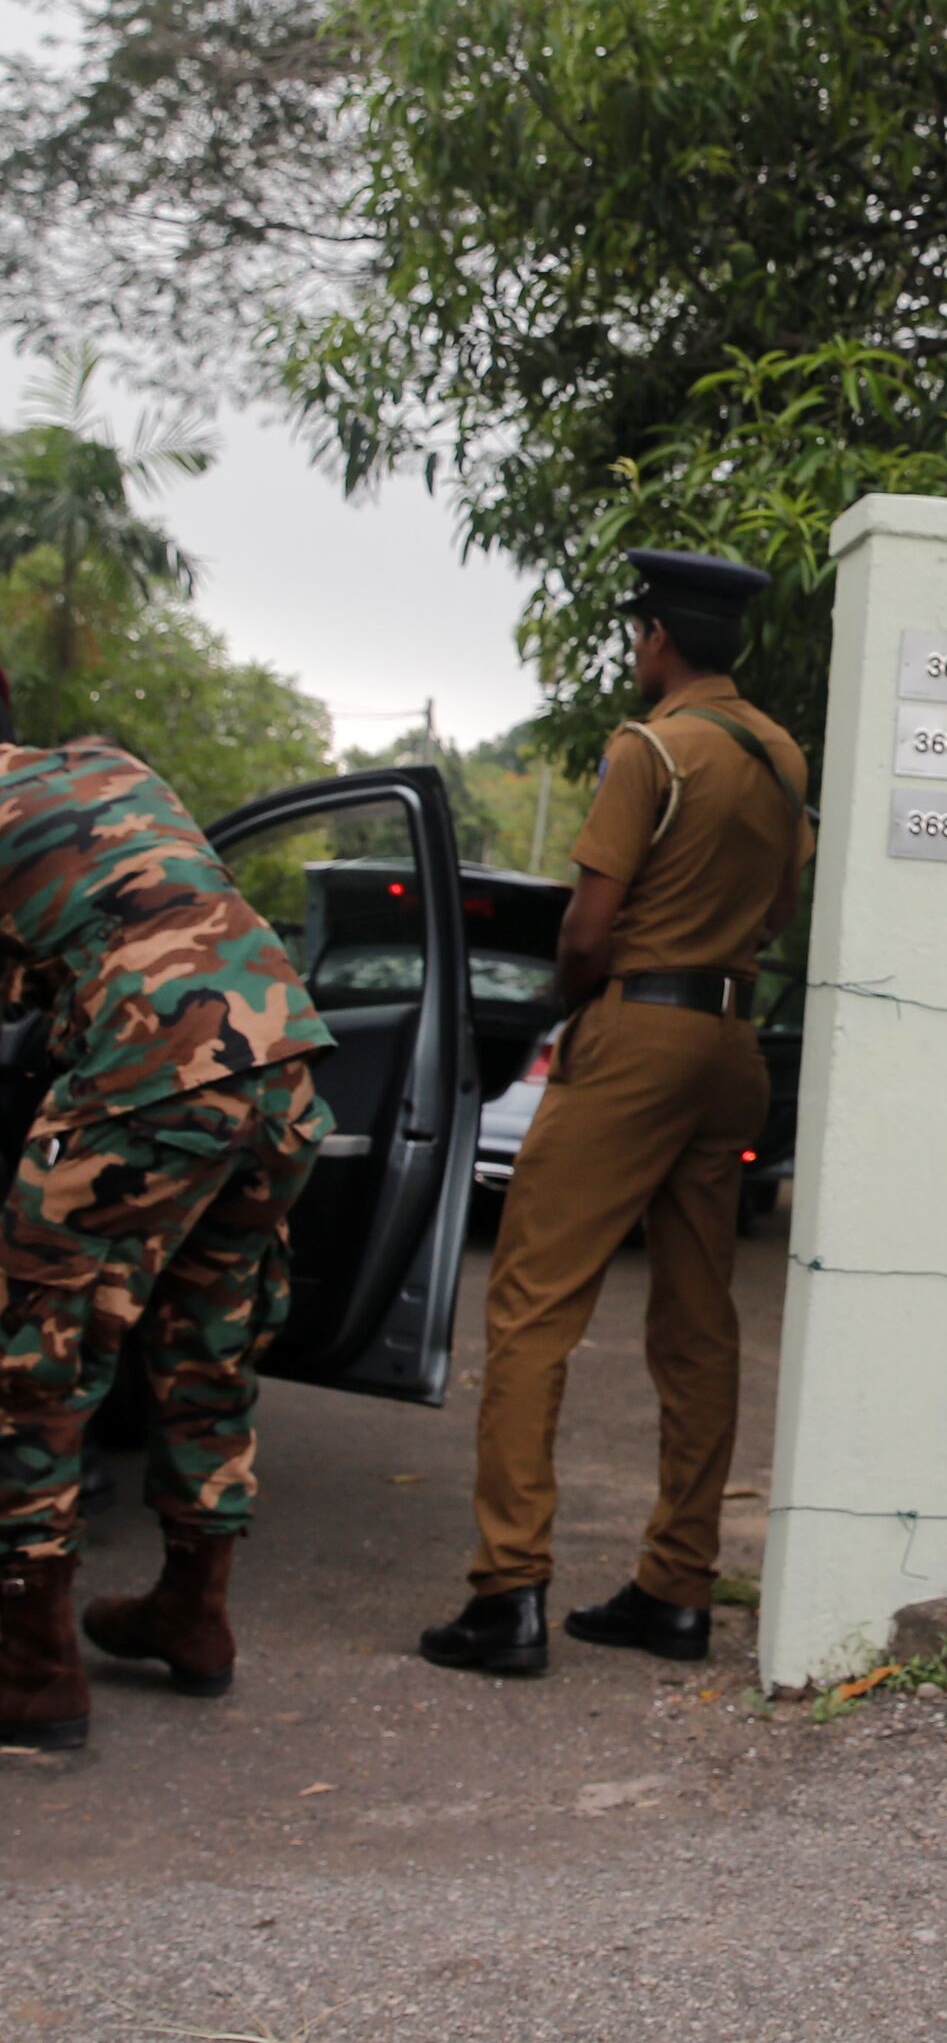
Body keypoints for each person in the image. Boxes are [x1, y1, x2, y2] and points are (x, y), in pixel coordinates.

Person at [421, 549, 812, 1677]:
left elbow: (587, 933)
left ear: (657, 640)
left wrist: (565, 1006)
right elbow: (777, 910)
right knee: (697, 1325)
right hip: (730, 1046)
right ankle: (676, 1590)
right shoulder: (780, 755)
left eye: (639, 635)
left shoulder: (650, 749)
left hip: (636, 1035)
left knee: (532, 1305)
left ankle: (508, 1591)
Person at [0, 672, 336, 1749]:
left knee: (28, 1353)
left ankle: (31, 1668)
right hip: (281, 1067)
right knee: (208, 1340)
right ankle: (193, 1615)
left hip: (154, 1073)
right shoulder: (110, 766)